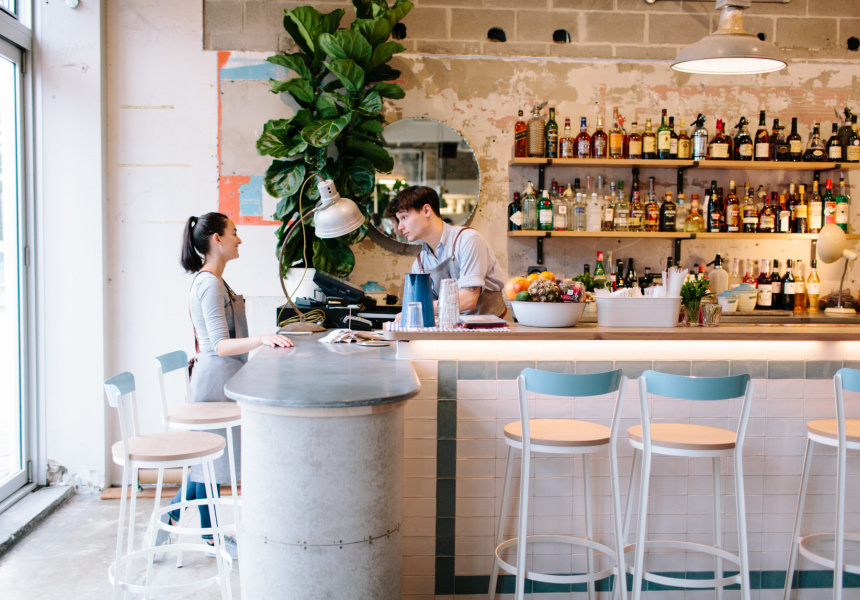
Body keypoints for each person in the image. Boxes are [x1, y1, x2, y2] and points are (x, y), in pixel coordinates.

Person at [158, 212, 293, 557]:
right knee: (210, 465)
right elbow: (219, 345)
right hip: (214, 383)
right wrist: (262, 339)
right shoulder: (209, 284)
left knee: (210, 465)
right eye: (234, 232)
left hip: (221, 378)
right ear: (216, 239)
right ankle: (202, 534)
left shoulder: (216, 281)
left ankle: (187, 524)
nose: (239, 239)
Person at [385, 186, 507, 318]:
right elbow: (426, 308)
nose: (400, 227)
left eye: (404, 217)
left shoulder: (468, 240)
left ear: (426, 210)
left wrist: (413, 311)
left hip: (493, 326)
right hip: (453, 328)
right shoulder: (420, 264)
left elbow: (468, 299)